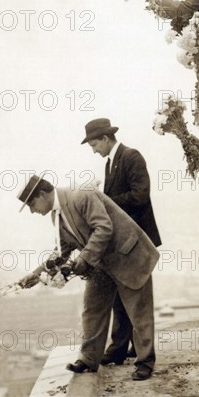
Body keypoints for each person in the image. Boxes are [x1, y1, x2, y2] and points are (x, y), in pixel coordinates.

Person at [18, 174, 159, 381]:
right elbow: (62, 250)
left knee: (139, 312)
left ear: (42, 194)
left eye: (31, 204)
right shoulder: (56, 215)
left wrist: (84, 258)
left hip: (128, 256)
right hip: (100, 262)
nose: (32, 210)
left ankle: (145, 362)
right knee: (91, 308)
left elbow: (104, 228)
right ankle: (88, 359)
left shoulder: (81, 195)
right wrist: (37, 274)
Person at [80, 118, 161, 367]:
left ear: (105, 139)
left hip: (137, 242)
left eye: (94, 144)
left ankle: (137, 352)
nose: (94, 150)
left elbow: (140, 195)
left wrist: (103, 199)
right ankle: (120, 348)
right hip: (123, 243)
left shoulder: (131, 157)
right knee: (121, 298)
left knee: (137, 298)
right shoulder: (110, 163)